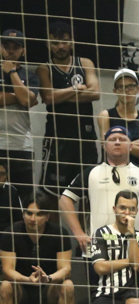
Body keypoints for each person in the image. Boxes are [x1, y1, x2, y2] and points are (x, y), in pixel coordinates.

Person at [60, 126, 139, 253]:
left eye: (122, 139)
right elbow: (65, 200)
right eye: (112, 139)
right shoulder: (91, 173)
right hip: (98, 249)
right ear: (104, 145)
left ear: (131, 146)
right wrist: (79, 233)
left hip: (134, 249)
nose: (117, 142)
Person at [0, 195, 74, 304]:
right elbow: (7, 270)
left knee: (68, 285)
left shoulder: (59, 233)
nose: (33, 218)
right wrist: (27, 279)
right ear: (23, 214)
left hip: (48, 287)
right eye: (29, 213)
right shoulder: (11, 232)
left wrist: (48, 278)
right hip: (20, 287)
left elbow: (66, 269)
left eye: (39, 214)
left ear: (47, 216)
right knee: (5, 285)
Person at [37, 20, 100, 197]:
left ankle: (85, 226)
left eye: (65, 41)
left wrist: (61, 96)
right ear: (48, 44)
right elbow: (48, 98)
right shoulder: (44, 68)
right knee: (52, 195)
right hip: (58, 138)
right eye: (55, 43)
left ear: (72, 42)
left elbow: (95, 93)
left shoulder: (85, 63)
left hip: (85, 138)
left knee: (87, 194)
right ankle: (56, 227)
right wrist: (76, 89)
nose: (61, 46)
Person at [0, 29, 39, 202]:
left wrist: (11, 72)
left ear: (23, 51)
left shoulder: (30, 76)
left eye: (15, 47)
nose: (10, 51)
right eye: (6, 46)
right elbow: (25, 99)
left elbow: (25, 101)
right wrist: (18, 96)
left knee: (24, 199)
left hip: (21, 146)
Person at [97, 69, 139, 168]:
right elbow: (108, 148)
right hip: (110, 171)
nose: (126, 91)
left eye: (130, 86)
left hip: (138, 173)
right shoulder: (105, 115)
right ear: (115, 91)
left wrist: (118, 144)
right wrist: (137, 143)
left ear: (138, 89)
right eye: (121, 87)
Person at [0, 161, 23, 231]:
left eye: (2, 174)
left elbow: (19, 220)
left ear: (6, 176)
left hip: (6, 234)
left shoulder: (12, 191)